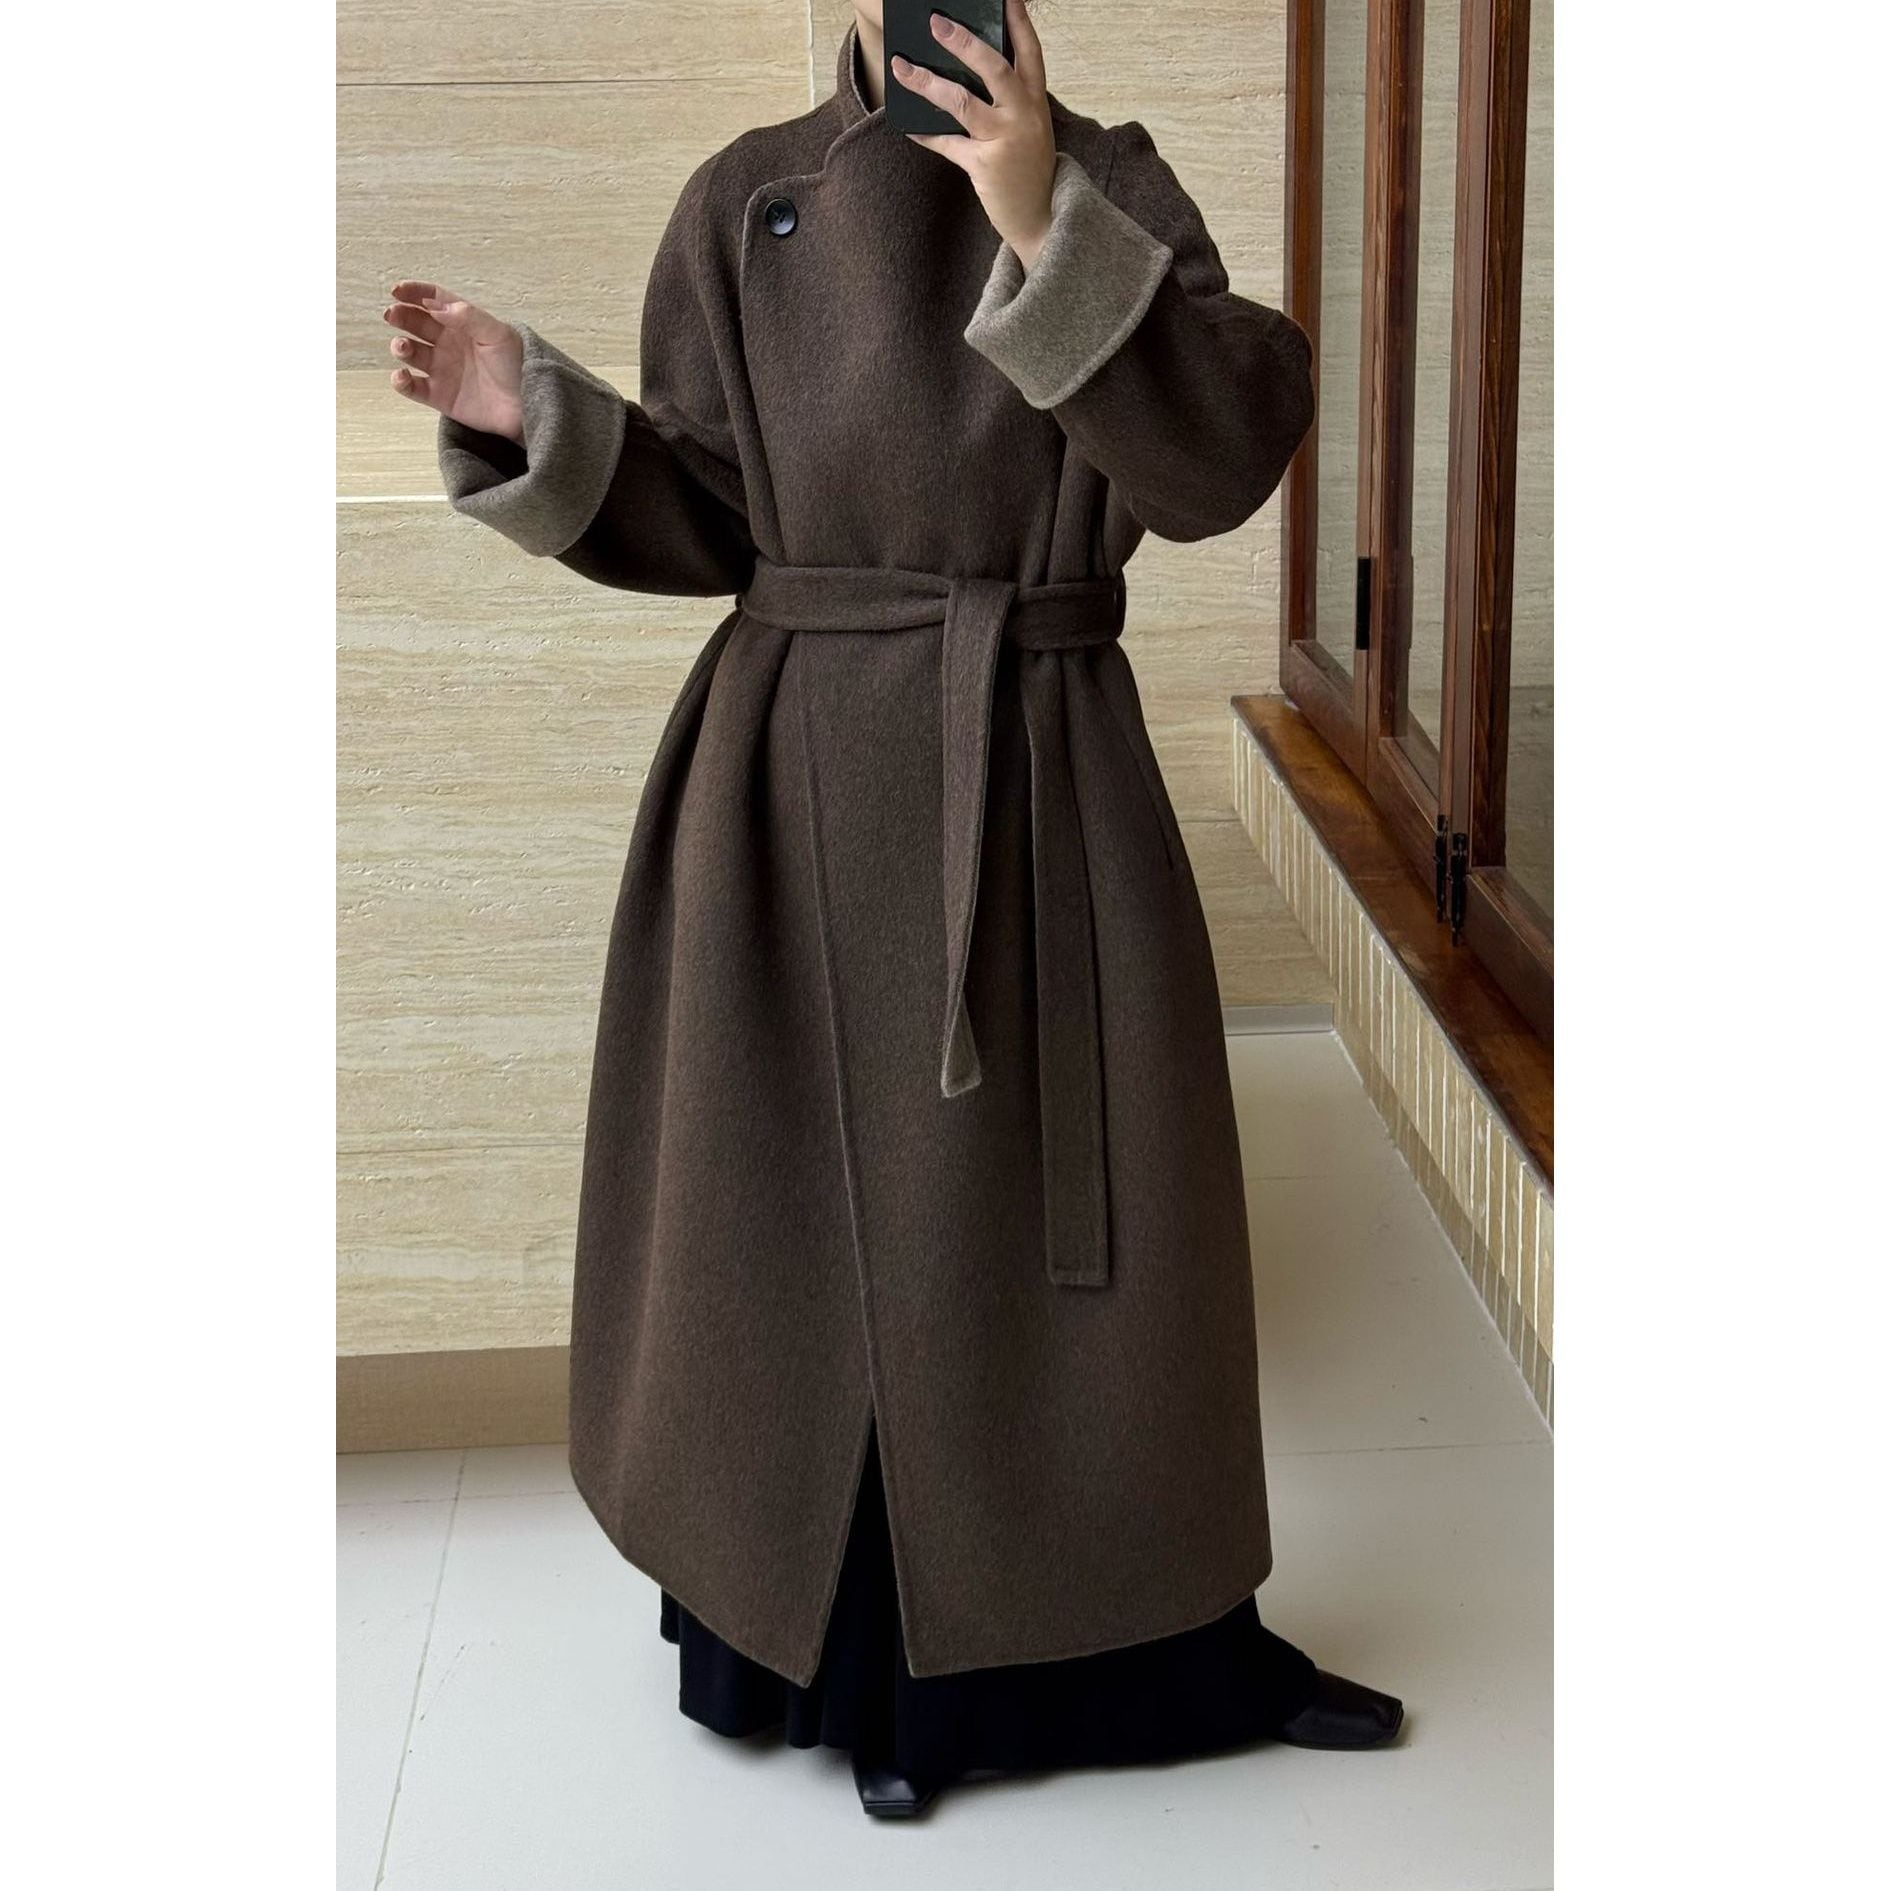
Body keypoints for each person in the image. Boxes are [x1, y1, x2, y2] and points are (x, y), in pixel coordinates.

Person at [383, 0, 1404, 1818]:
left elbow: (1217, 465)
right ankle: (865, 1684)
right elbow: (712, 513)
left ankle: (1173, 1650)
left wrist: (1037, 209)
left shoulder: (1110, 180)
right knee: (796, 1244)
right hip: (785, 793)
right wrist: (532, 410)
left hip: (1045, 769)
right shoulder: (745, 198)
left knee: (1092, 1246)